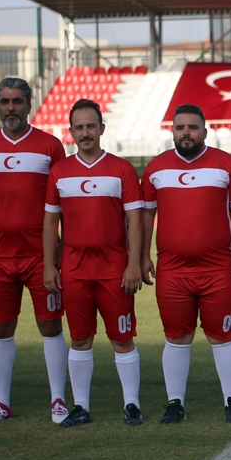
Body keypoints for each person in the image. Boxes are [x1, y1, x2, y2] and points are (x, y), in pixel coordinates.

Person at [141, 104, 231, 423]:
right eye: (180, 127)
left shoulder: (225, 163)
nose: (186, 132)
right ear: (172, 131)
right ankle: (175, 403)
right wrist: (142, 256)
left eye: (192, 127)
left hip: (218, 268)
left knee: (224, 336)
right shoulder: (156, 168)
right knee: (176, 337)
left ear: (205, 131)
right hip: (172, 271)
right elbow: (145, 215)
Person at [0, 77, 69, 425]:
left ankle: (58, 400)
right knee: (1, 327)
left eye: (17, 102)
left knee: (50, 325)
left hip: (40, 256)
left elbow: (63, 202)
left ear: (29, 104)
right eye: (4, 102)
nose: (10, 108)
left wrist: (60, 251)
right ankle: (1, 402)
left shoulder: (49, 146)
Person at [43, 99, 145, 427]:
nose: (85, 132)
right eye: (78, 127)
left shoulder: (122, 169)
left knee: (122, 338)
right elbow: (49, 223)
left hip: (115, 269)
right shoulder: (59, 172)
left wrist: (133, 264)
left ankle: (132, 404)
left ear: (102, 129)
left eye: (91, 126)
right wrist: (49, 265)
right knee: (80, 339)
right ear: (70, 132)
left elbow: (136, 221)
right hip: (74, 269)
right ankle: (81, 406)